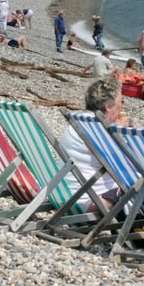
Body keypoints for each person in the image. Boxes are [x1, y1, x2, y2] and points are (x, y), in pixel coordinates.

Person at [57, 76, 124, 208]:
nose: (122, 105)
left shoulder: (80, 122)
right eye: (121, 101)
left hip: (62, 194)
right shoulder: (99, 130)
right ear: (108, 107)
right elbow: (130, 166)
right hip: (90, 201)